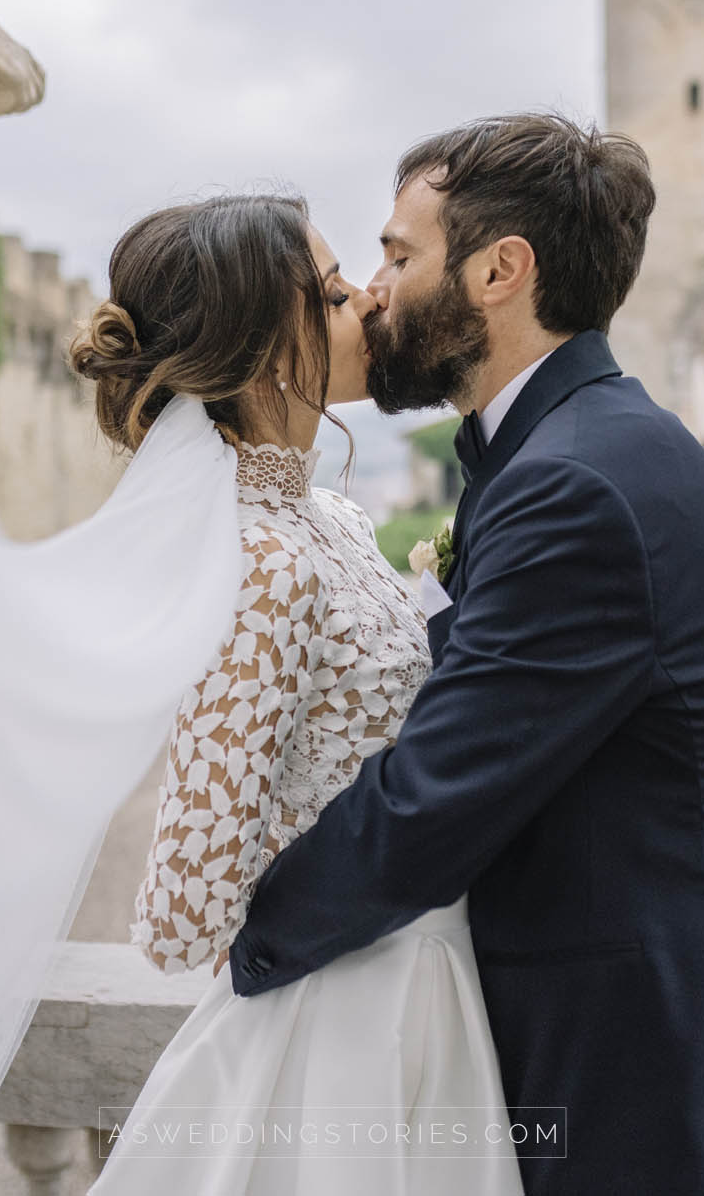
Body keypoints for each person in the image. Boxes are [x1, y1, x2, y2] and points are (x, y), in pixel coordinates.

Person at [227, 114, 704, 1195]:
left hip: (639, 1093)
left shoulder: (573, 485)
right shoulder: (569, 448)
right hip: (622, 1055)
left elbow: (432, 799)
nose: (372, 290)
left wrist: (252, 939)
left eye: (399, 255)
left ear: (499, 271)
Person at [77, 194, 523, 1195]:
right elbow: (184, 913)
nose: (366, 297)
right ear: (263, 347)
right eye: (329, 293)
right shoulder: (260, 560)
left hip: (427, 985)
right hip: (341, 1019)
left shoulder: (330, 519)